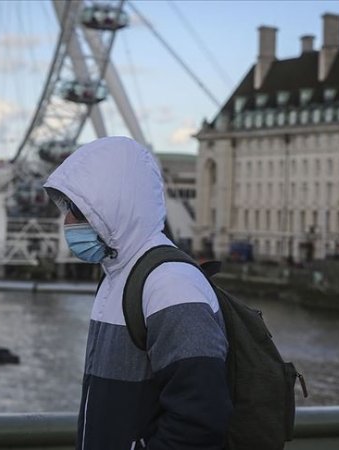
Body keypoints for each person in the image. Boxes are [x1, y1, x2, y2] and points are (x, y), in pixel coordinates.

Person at [44, 136, 231, 450]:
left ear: (110, 205)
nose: (68, 221)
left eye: (77, 209)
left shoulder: (171, 285)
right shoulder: (119, 277)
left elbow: (201, 417)